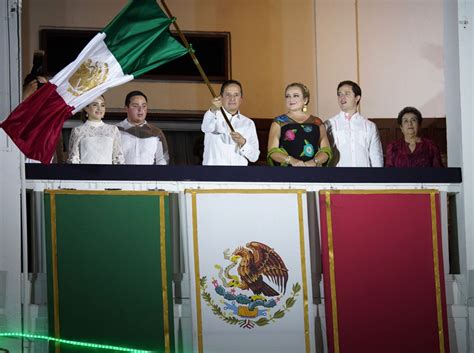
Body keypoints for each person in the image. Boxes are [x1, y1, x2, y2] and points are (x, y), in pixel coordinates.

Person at [267, 83, 331, 167]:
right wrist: (291, 160)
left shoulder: (317, 122)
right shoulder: (279, 122)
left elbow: (326, 151)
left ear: (305, 100)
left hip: (313, 172)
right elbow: (272, 151)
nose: (291, 99)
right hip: (287, 172)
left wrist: (313, 162)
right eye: (287, 96)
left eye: (296, 95)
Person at [325, 80, 383, 167]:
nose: (342, 97)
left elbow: (376, 157)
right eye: (339, 94)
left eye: (347, 94)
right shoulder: (330, 124)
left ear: (357, 98)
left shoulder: (369, 126)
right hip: (337, 177)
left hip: (363, 178)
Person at [201, 80, 260, 165]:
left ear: (241, 99)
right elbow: (205, 127)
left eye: (236, 95)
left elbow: (254, 157)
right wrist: (213, 109)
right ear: (221, 98)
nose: (232, 98)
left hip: (238, 175)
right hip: (213, 174)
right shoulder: (213, 115)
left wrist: (243, 142)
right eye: (228, 95)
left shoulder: (248, 123)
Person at [67, 95, 124, 164]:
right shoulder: (78, 130)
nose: (99, 108)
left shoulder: (113, 130)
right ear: (86, 108)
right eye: (95, 105)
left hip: (108, 174)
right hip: (85, 173)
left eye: (102, 105)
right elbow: (73, 159)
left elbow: (118, 159)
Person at [117, 91, 169, 165]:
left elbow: (162, 159)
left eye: (144, 106)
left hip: (149, 175)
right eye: (135, 106)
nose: (140, 109)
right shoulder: (116, 130)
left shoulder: (156, 132)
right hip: (122, 175)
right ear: (126, 108)